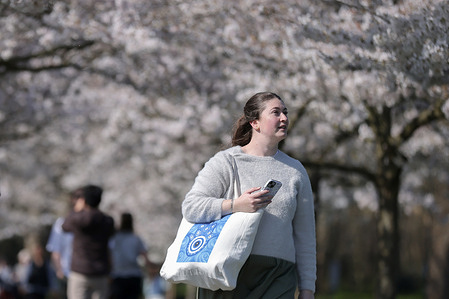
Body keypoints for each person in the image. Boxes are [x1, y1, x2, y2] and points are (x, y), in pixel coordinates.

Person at [182, 92, 316, 299]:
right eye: (276, 112)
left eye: (285, 112)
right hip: (229, 273)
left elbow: (305, 236)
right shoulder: (227, 162)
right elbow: (191, 207)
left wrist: (308, 289)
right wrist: (235, 204)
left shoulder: (296, 171)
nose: (284, 118)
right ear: (255, 122)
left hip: (278, 275)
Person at [62, 185, 115, 299]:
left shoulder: (78, 219)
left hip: (80, 272)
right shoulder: (107, 221)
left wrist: (75, 209)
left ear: (84, 200)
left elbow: (65, 226)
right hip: (100, 273)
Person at [46, 188, 81, 299]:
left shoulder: (91, 223)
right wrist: (59, 270)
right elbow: (55, 251)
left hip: (84, 273)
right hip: (66, 274)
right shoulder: (60, 224)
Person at [109, 212, 151, 299]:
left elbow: (109, 255)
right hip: (134, 275)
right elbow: (145, 257)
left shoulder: (115, 238)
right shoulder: (136, 238)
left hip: (118, 275)